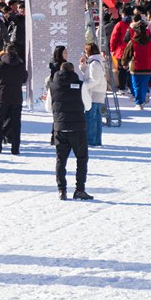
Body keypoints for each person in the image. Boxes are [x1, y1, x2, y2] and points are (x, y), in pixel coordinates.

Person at [46, 62, 94, 200]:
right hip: (77, 127)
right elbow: (88, 105)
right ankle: (79, 189)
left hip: (60, 127)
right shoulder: (80, 85)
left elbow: (48, 107)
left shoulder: (52, 86)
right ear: (73, 71)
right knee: (82, 159)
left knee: (61, 160)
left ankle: (62, 190)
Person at [0, 44, 28, 155]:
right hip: (16, 97)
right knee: (16, 123)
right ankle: (15, 149)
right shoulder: (20, 64)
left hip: (2, 96)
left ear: (5, 52)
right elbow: (25, 78)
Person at [121, 21, 151, 109]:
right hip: (148, 67)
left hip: (136, 67)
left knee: (136, 85)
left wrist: (124, 63)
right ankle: (142, 99)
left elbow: (127, 53)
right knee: (144, 84)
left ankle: (139, 102)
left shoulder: (133, 42)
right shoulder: (150, 42)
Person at [79, 43, 107, 147]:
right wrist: (83, 67)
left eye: (85, 52)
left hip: (94, 92)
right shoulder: (97, 61)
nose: (85, 54)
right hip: (98, 92)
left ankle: (91, 140)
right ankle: (96, 140)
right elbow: (93, 75)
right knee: (97, 117)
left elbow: (95, 79)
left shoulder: (94, 63)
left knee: (91, 117)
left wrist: (84, 86)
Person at [110, 6, 133, 93]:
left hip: (121, 51)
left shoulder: (119, 24)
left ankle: (122, 88)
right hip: (132, 50)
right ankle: (131, 87)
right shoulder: (134, 24)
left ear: (123, 14)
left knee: (122, 70)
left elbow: (113, 38)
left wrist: (112, 49)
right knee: (131, 69)